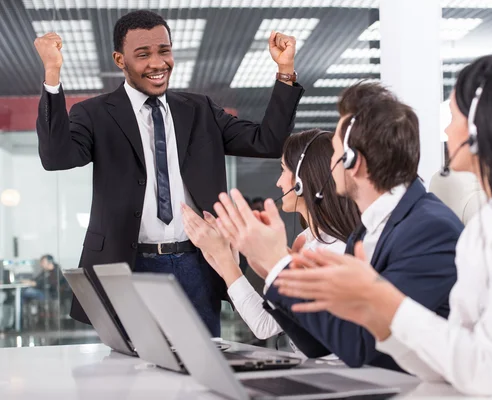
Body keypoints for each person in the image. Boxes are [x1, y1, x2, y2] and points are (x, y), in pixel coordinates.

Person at [274, 53, 492, 398]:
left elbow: (484, 368)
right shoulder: (489, 221)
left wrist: (379, 296)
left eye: (454, 115)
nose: (446, 129)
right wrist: (372, 310)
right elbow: (450, 360)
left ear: (479, 127)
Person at [33, 10, 303, 336]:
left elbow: (268, 142)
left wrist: (285, 71)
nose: (158, 63)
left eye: (164, 50)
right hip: (128, 264)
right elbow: (56, 157)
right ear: (120, 59)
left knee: (202, 365)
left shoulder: (199, 110)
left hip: (197, 264)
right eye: (143, 54)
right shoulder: (94, 114)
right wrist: (52, 73)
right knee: (132, 372)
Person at [210, 82, 462, 370]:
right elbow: (318, 344)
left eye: (334, 152)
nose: (329, 164)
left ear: (353, 161)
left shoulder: (428, 229)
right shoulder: (366, 230)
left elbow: (360, 346)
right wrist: (267, 265)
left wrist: (278, 264)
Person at [181, 129, 360, 340]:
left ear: (302, 180)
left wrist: (224, 260)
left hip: (330, 370)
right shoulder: (306, 240)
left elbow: (265, 325)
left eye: (283, 170)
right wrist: (225, 260)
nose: (279, 182)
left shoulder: (334, 250)